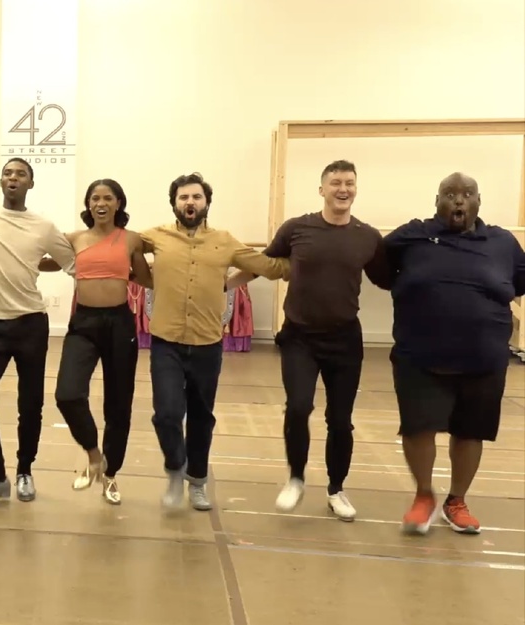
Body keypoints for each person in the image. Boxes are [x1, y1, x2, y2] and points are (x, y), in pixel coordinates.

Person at [234, 160, 392, 521]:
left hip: (345, 340)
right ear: (322, 189)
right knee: (298, 406)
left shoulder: (367, 237)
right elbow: (263, 264)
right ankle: (295, 478)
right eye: (335, 183)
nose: (343, 189)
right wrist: (223, 286)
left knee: (341, 420)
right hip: (299, 338)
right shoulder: (296, 228)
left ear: (355, 189)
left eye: (349, 183)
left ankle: (336, 489)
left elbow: (387, 279)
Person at [384, 172, 525, 535]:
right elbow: (379, 267)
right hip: (419, 357)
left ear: (479, 201)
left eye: (467, 194)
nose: (458, 200)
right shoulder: (412, 236)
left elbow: (519, 282)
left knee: (470, 431)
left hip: (483, 361)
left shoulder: (502, 242)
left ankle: (456, 501)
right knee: (419, 427)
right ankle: (423, 496)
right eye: (450, 194)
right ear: (437, 201)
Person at [141, 172, 289, 512]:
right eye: (183, 197)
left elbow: (266, 266)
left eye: (196, 196)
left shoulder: (225, 241)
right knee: (166, 414)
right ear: (174, 203)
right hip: (166, 342)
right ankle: (174, 468)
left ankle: (197, 481)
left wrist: (304, 256)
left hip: (207, 344)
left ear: (206, 202)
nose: (190, 202)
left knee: (201, 416)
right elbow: (123, 248)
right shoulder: (155, 236)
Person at [0, 158, 77, 509]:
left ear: (30, 183)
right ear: (1, 181)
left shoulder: (43, 226)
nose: (13, 178)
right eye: (8, 173)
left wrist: (34, 264)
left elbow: (71, 262)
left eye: (21, 174)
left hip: (30, 325)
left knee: (30, 405)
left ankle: (25, 469)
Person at [52, 179, 152, 505]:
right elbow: (43, 258)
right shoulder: (73, 239)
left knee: (118, 404)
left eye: (108, 198)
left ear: (118, 203)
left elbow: (144, 277)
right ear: (88, 204)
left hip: (120, 324)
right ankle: (94, 454)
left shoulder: (131, 239)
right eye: (95, 198)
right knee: (68, 394)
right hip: (84, 323)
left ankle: (110, 474)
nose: (101, 203)